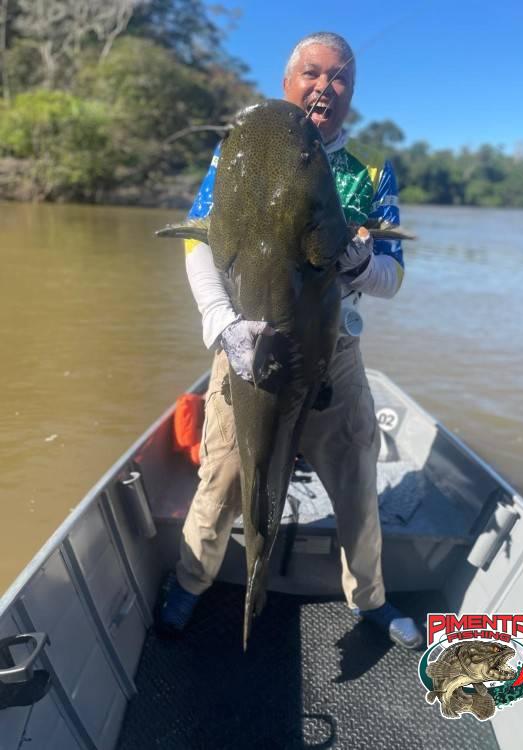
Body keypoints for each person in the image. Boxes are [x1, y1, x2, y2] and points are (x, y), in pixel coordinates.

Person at [158, 32, 423, 649]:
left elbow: (391, 278)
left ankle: (369, 596)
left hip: (335, 351)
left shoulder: (371, 173)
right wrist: (223, 324)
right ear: (287, 83)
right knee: (225, 474)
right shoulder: (238, 153)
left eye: (340, 78)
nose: (325, 87)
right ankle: (192, 580)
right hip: (244, 340)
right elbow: (199, 242)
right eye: (312, 73)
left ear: (352, 95)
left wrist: (361, 264)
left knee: (356, 478)